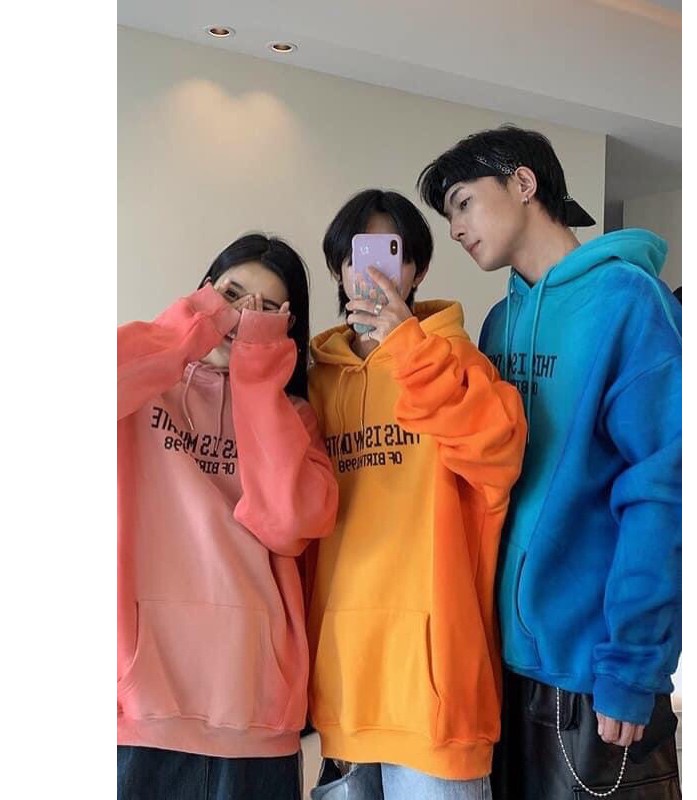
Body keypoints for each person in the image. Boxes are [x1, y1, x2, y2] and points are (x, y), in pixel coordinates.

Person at [418, 126, 682, 800]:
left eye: (463, 203)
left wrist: (633, 663)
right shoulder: (498, 324)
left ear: (523, 183)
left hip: (593, 674)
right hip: (503, 668)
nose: (455, 229)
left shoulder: (628, 302)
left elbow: (663, 488)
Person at [304, 189, 527, 799]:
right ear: (340, 269)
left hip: (437, 699)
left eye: (392, 252)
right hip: (346, 691)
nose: (374, 270)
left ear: (417, 269)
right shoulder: (318, 385)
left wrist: (407, 347)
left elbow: (497, 454)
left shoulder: (458, 363)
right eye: (358, 254)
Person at [117, 233, 338, 800]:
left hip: (255, 717)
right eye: (232, 296)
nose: (241, 319)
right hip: (143, 713)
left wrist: (259, 379)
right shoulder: (140, 392)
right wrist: (188, 330)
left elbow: (288, 523)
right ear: (202, 294)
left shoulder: (294, 420)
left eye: (267, 310)